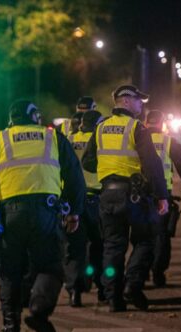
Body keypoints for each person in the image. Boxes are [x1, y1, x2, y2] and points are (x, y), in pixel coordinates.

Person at [0, 99, 85, 332]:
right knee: (50, 267)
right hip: (46, 213)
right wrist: (73, 212)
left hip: (10, 216)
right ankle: (39, 309)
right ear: (36, 118)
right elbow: (74, 176)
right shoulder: (53, 138)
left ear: (12, 120)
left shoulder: (0, 140)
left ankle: (11, 329)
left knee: (9, 271)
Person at [82, 85, 169, 312]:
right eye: (139, 101)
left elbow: (88, 162)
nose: (142, 105)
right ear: (127, 101)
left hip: (107, 195)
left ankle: (113, 298)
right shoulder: (136, 128)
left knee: (113, 247)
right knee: (145, 241)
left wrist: (109, 168)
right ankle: (132, 284)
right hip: (133, 195)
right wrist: (161, 196)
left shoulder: (100, 128)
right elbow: (152, 163)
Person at [144, 110, 181, 287]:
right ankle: (158, 274)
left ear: (146, 123)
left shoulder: (136, 140)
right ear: (161, 124)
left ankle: (139, 275)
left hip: (139, 195)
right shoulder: (168, 142)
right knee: (161, 237)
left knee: (141, 237)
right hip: (162, 197)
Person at [64, 110, 106, 306]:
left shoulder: (70, 139)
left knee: (75, 248)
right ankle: (102, 287)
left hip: (74, 201)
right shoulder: (100, 139)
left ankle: (75, 291)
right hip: (97, 199)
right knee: (99, 246)